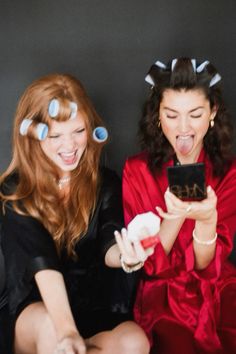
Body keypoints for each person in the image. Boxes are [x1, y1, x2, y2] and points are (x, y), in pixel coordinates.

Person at [0, 73, 150, 354]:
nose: (70, 147)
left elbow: (110, 242)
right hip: (37, 311)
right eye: (56, 135)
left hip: (90, 308)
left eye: (78, 131)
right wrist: (67, 331)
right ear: (33, 136)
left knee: (134, 341)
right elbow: (42, 263)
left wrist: (127, 256)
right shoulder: (15, 192)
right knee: (51, 329)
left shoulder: (105, 182)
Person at [115, 58, 236, 353]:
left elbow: (209, 266)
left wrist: (206, 220)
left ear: (212, 113)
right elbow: (152, 266)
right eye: (171, 115)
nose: (183, 128)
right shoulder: (137, 170)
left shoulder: (229, 173)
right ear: (157, 116)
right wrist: (176, 216)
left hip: (220, 289)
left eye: (195, 114)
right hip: (164, 296)